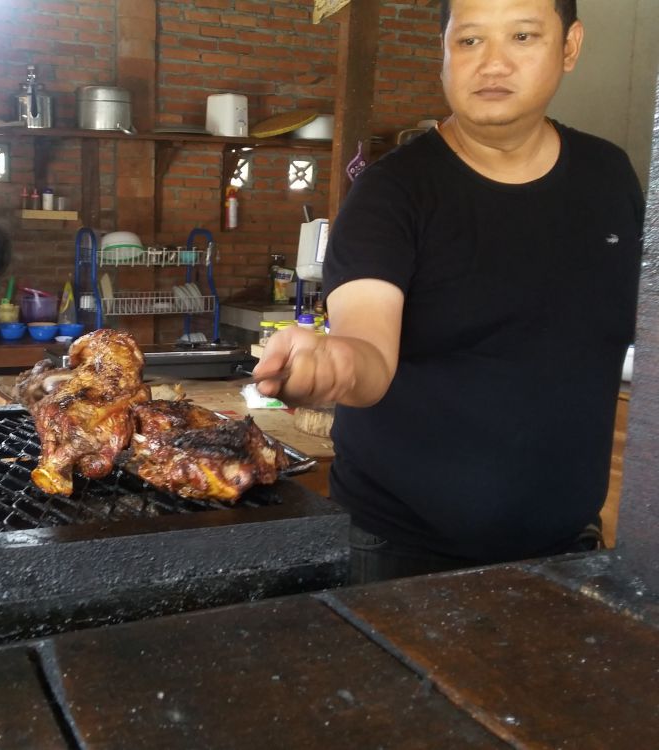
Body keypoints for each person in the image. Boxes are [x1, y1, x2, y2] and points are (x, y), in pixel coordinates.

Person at [253, 0, 644, 584]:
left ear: (569, 46)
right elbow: (368, 350)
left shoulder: (608, 176)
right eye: (469, 41)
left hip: (570, 548)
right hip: (400, 554)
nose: (492, 63)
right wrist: (334, 362)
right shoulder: (392, 193)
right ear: (443, 54)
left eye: (522, 36)